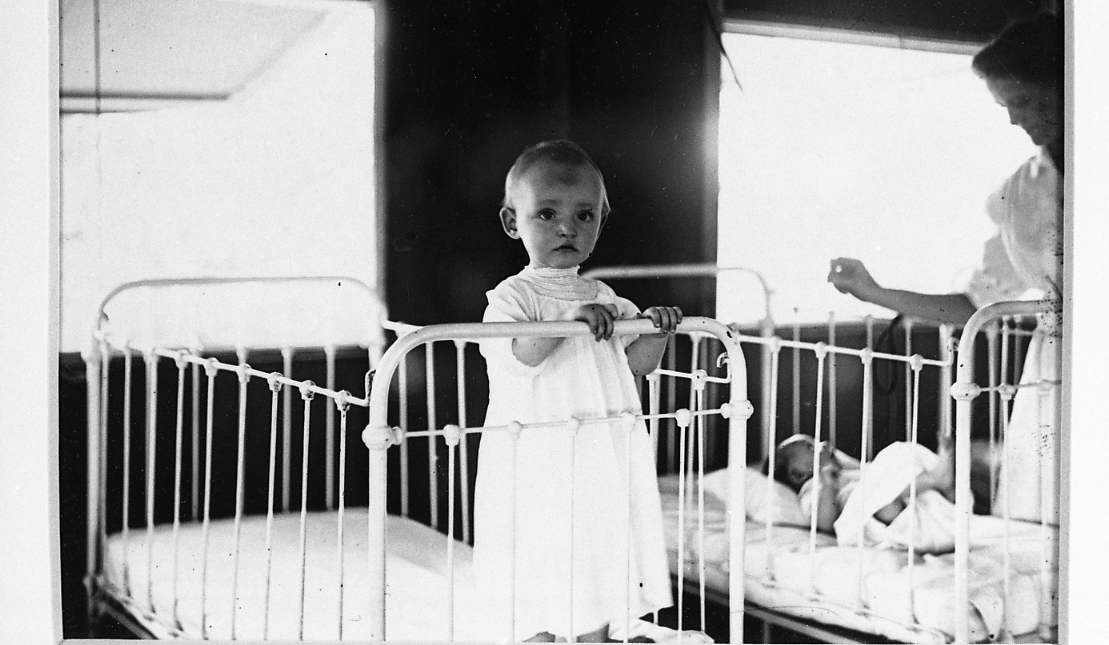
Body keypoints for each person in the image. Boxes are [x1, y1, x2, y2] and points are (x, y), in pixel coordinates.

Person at [827, 13, 1062, 524]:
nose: (1014, 120)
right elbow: (976, 306)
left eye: (1022, 102)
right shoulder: (1019, 194)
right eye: (1005, 107)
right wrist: (873, 291)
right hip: (1059, 368)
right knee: (1045, 521)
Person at [473, 140, 684, 643]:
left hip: (596, 451)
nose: (567, 227)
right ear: (512, 223)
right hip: (538, 454)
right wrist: (566, 322)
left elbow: (637, 365)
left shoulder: (607, 298)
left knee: (594, 543)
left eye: (584, 215)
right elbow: (521, 354)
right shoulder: (511, 297)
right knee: (541, 546)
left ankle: (596, 632)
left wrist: (656, 333)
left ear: (601, 219)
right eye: (546, 214)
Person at [771, 434, 959, 553]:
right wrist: (827, 484)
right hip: (874, 517)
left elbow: (873, 475)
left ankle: (944, 492)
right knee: (884, 504)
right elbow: (824, 524)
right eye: (811, 447)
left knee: (896, 455)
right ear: (798, 474)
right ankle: (936, 481)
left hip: (904, 504)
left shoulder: (846, 471)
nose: (824, 443)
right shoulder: (812, 489)